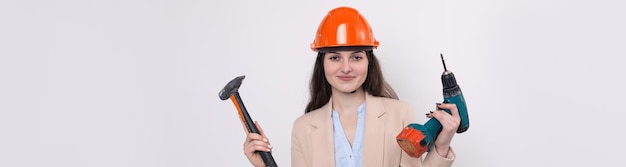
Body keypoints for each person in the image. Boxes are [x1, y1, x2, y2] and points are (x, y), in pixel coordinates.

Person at [244, 6, 460, 167]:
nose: (346, 68)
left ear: (368, 62)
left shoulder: (399, 113)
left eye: (356, 57)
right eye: (335, 57)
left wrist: (441, 146)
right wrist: (264, 164)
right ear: (322, 64)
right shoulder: (303, 128)